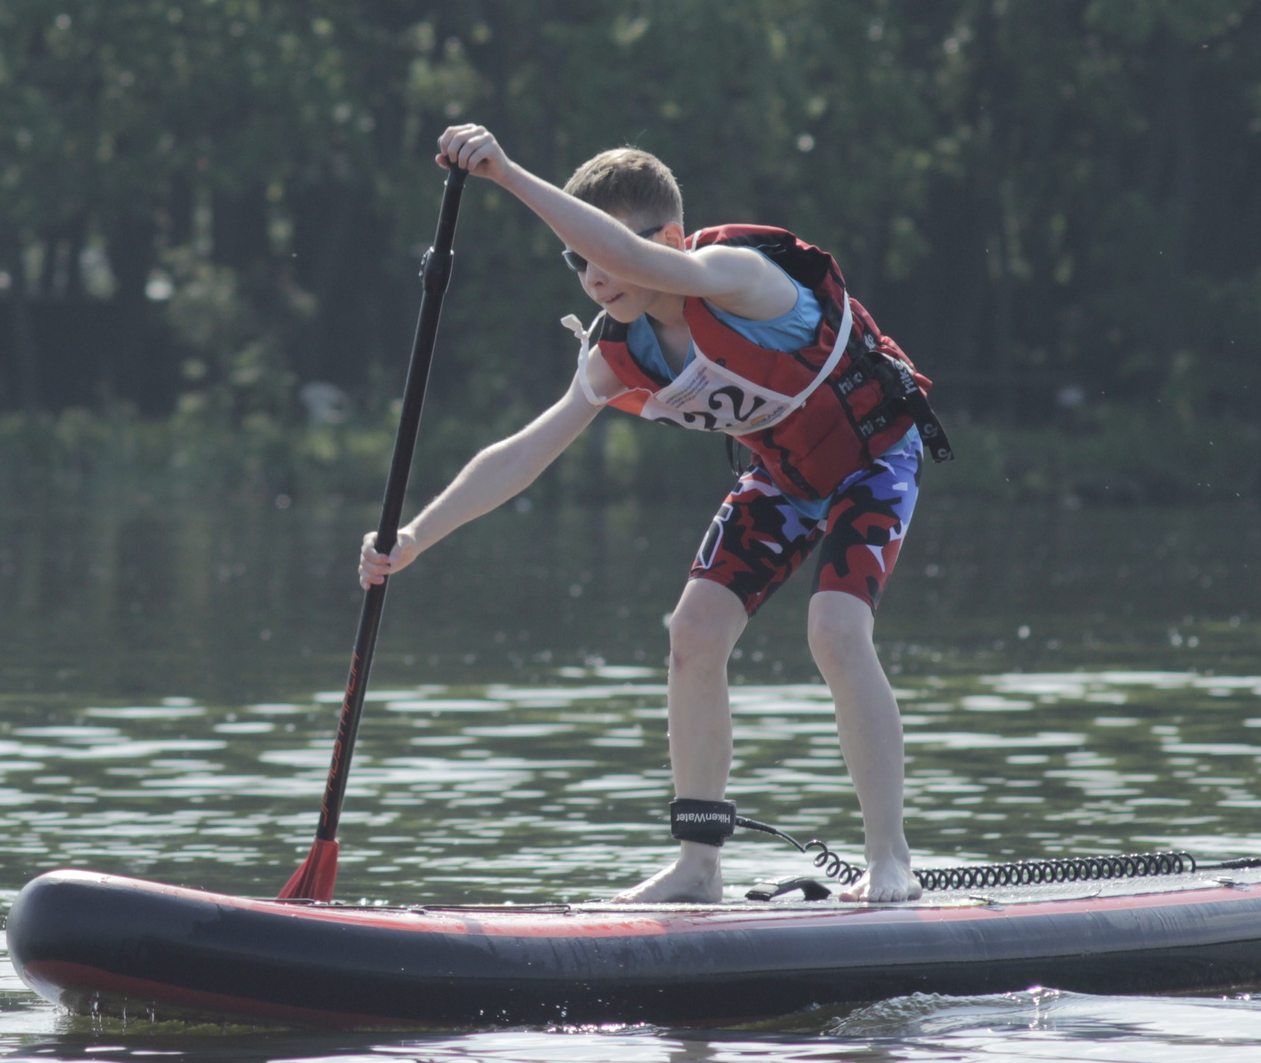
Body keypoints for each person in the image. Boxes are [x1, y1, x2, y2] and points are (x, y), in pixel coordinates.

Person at [357, 124, 950, 902]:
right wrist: (412, 538)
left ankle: (890, 861)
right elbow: (522, 454)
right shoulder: (617, 354)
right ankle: (698, 866)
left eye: (604, 252)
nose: (597, 277)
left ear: (669, 238)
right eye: (578, 262)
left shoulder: (739, 277)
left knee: (835, 631)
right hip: (782, 477)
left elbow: (638, 261)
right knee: (693, 633)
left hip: (874, 459)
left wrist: (506, 175)